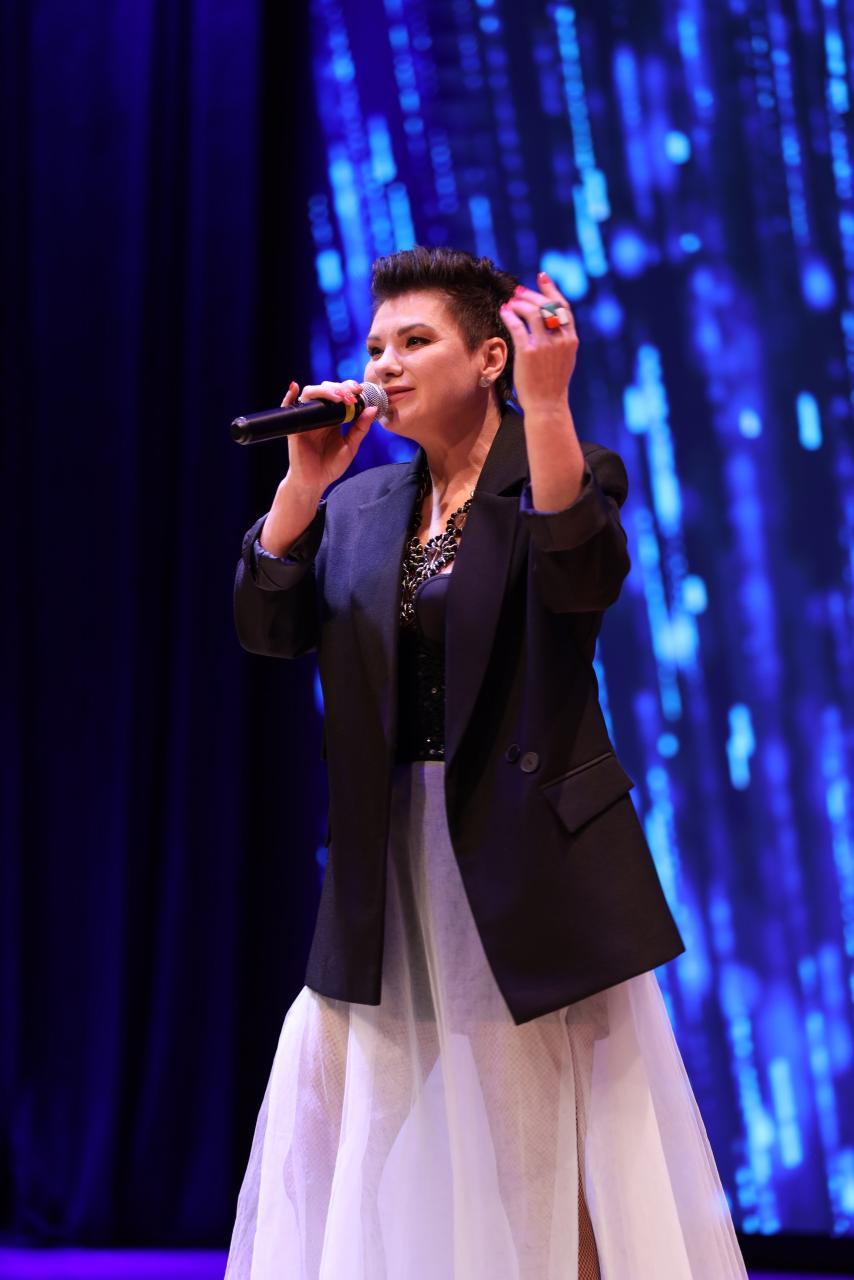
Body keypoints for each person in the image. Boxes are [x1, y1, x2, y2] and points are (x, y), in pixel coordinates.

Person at [225, 247, 747, 1278]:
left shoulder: (560, 468)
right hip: (386, 862)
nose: (385, 365)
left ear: (490, 357)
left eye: (415, 341)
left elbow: (578, 572)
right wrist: (301, 486)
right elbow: (267, 627)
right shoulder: (361, 505)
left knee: (543, 1142)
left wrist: (546, 407)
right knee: (343, 1125)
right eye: (376, 345)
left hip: (523, 855)